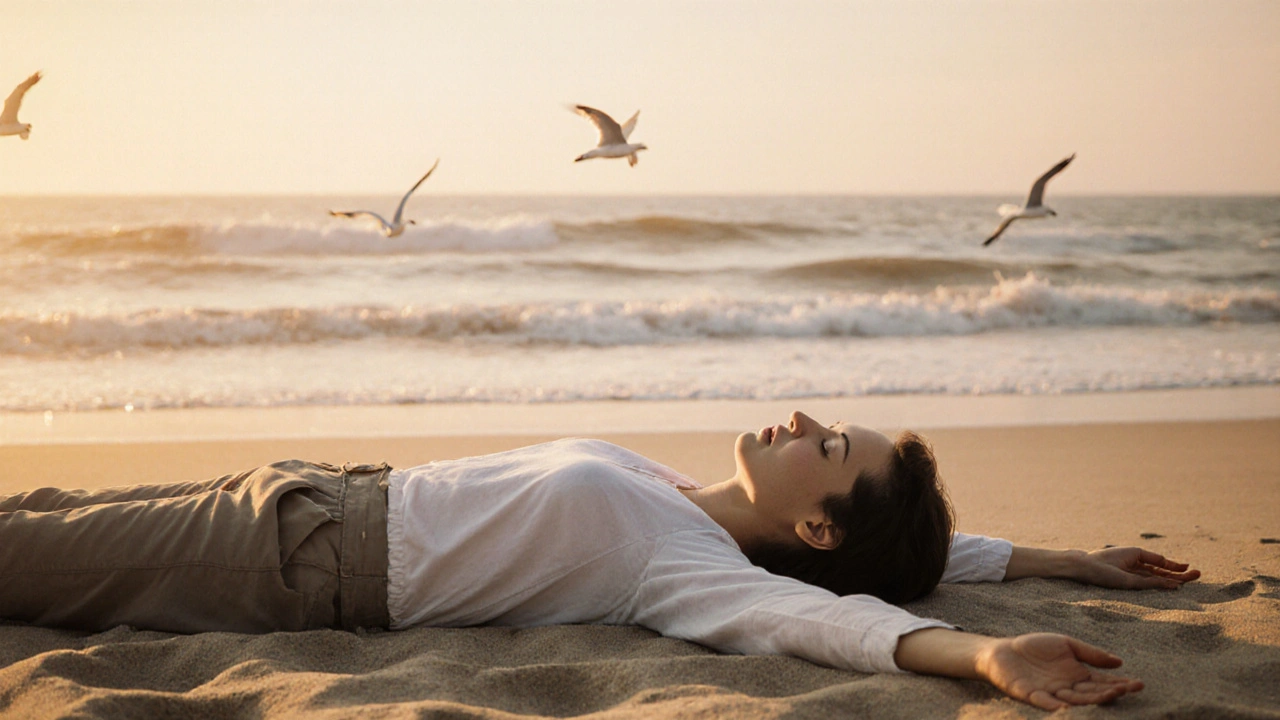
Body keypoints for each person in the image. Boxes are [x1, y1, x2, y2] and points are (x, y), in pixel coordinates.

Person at [0, 411, 1199, 712]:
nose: (797, 417)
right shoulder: (682, 496)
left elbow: (825, 627)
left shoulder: (680, 568)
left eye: (826, 444)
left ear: (820, 528)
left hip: (280, 566)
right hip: (304, 493)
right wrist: (1070, 559)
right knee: (31, 511)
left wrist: (984, 655)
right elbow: (923, 561)